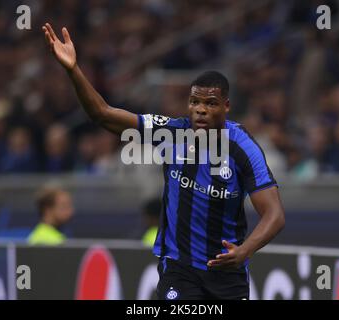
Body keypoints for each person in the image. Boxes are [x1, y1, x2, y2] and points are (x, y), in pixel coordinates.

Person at [42, 23, 285, 300]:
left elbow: (275, 215)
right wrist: (73, 70)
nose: (201, 110)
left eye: (211, 103)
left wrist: (244, 251)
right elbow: (103, 114)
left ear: (226, 106)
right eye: (194, 102)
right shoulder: (172, 132)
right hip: (179, 270)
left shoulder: (244, 148)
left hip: (227, 275)